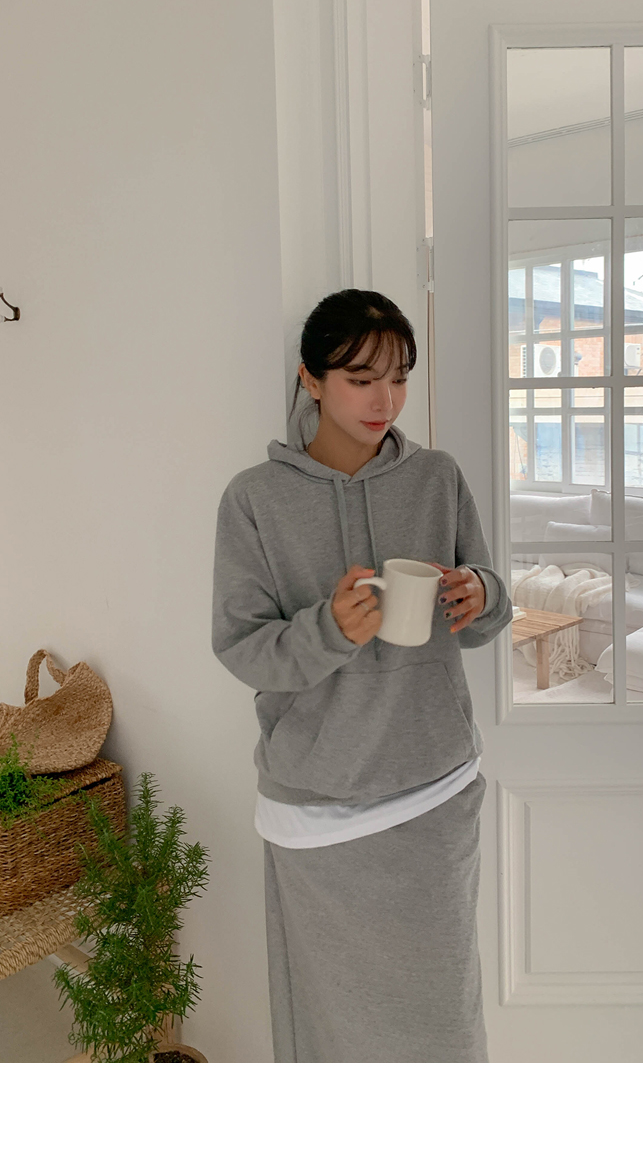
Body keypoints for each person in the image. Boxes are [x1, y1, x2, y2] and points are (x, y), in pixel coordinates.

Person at [212, 284, 509, 1063]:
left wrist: (482, 594)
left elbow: (488, 615)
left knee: (443, 1020)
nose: (386, 400)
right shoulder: (253, 501)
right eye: (361, 378)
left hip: (433, 788)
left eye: (399, 377)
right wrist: (329, 630)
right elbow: (241, 647)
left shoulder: (437, 478)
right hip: (317, 803)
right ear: (311, 380)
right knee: (331, 1022)